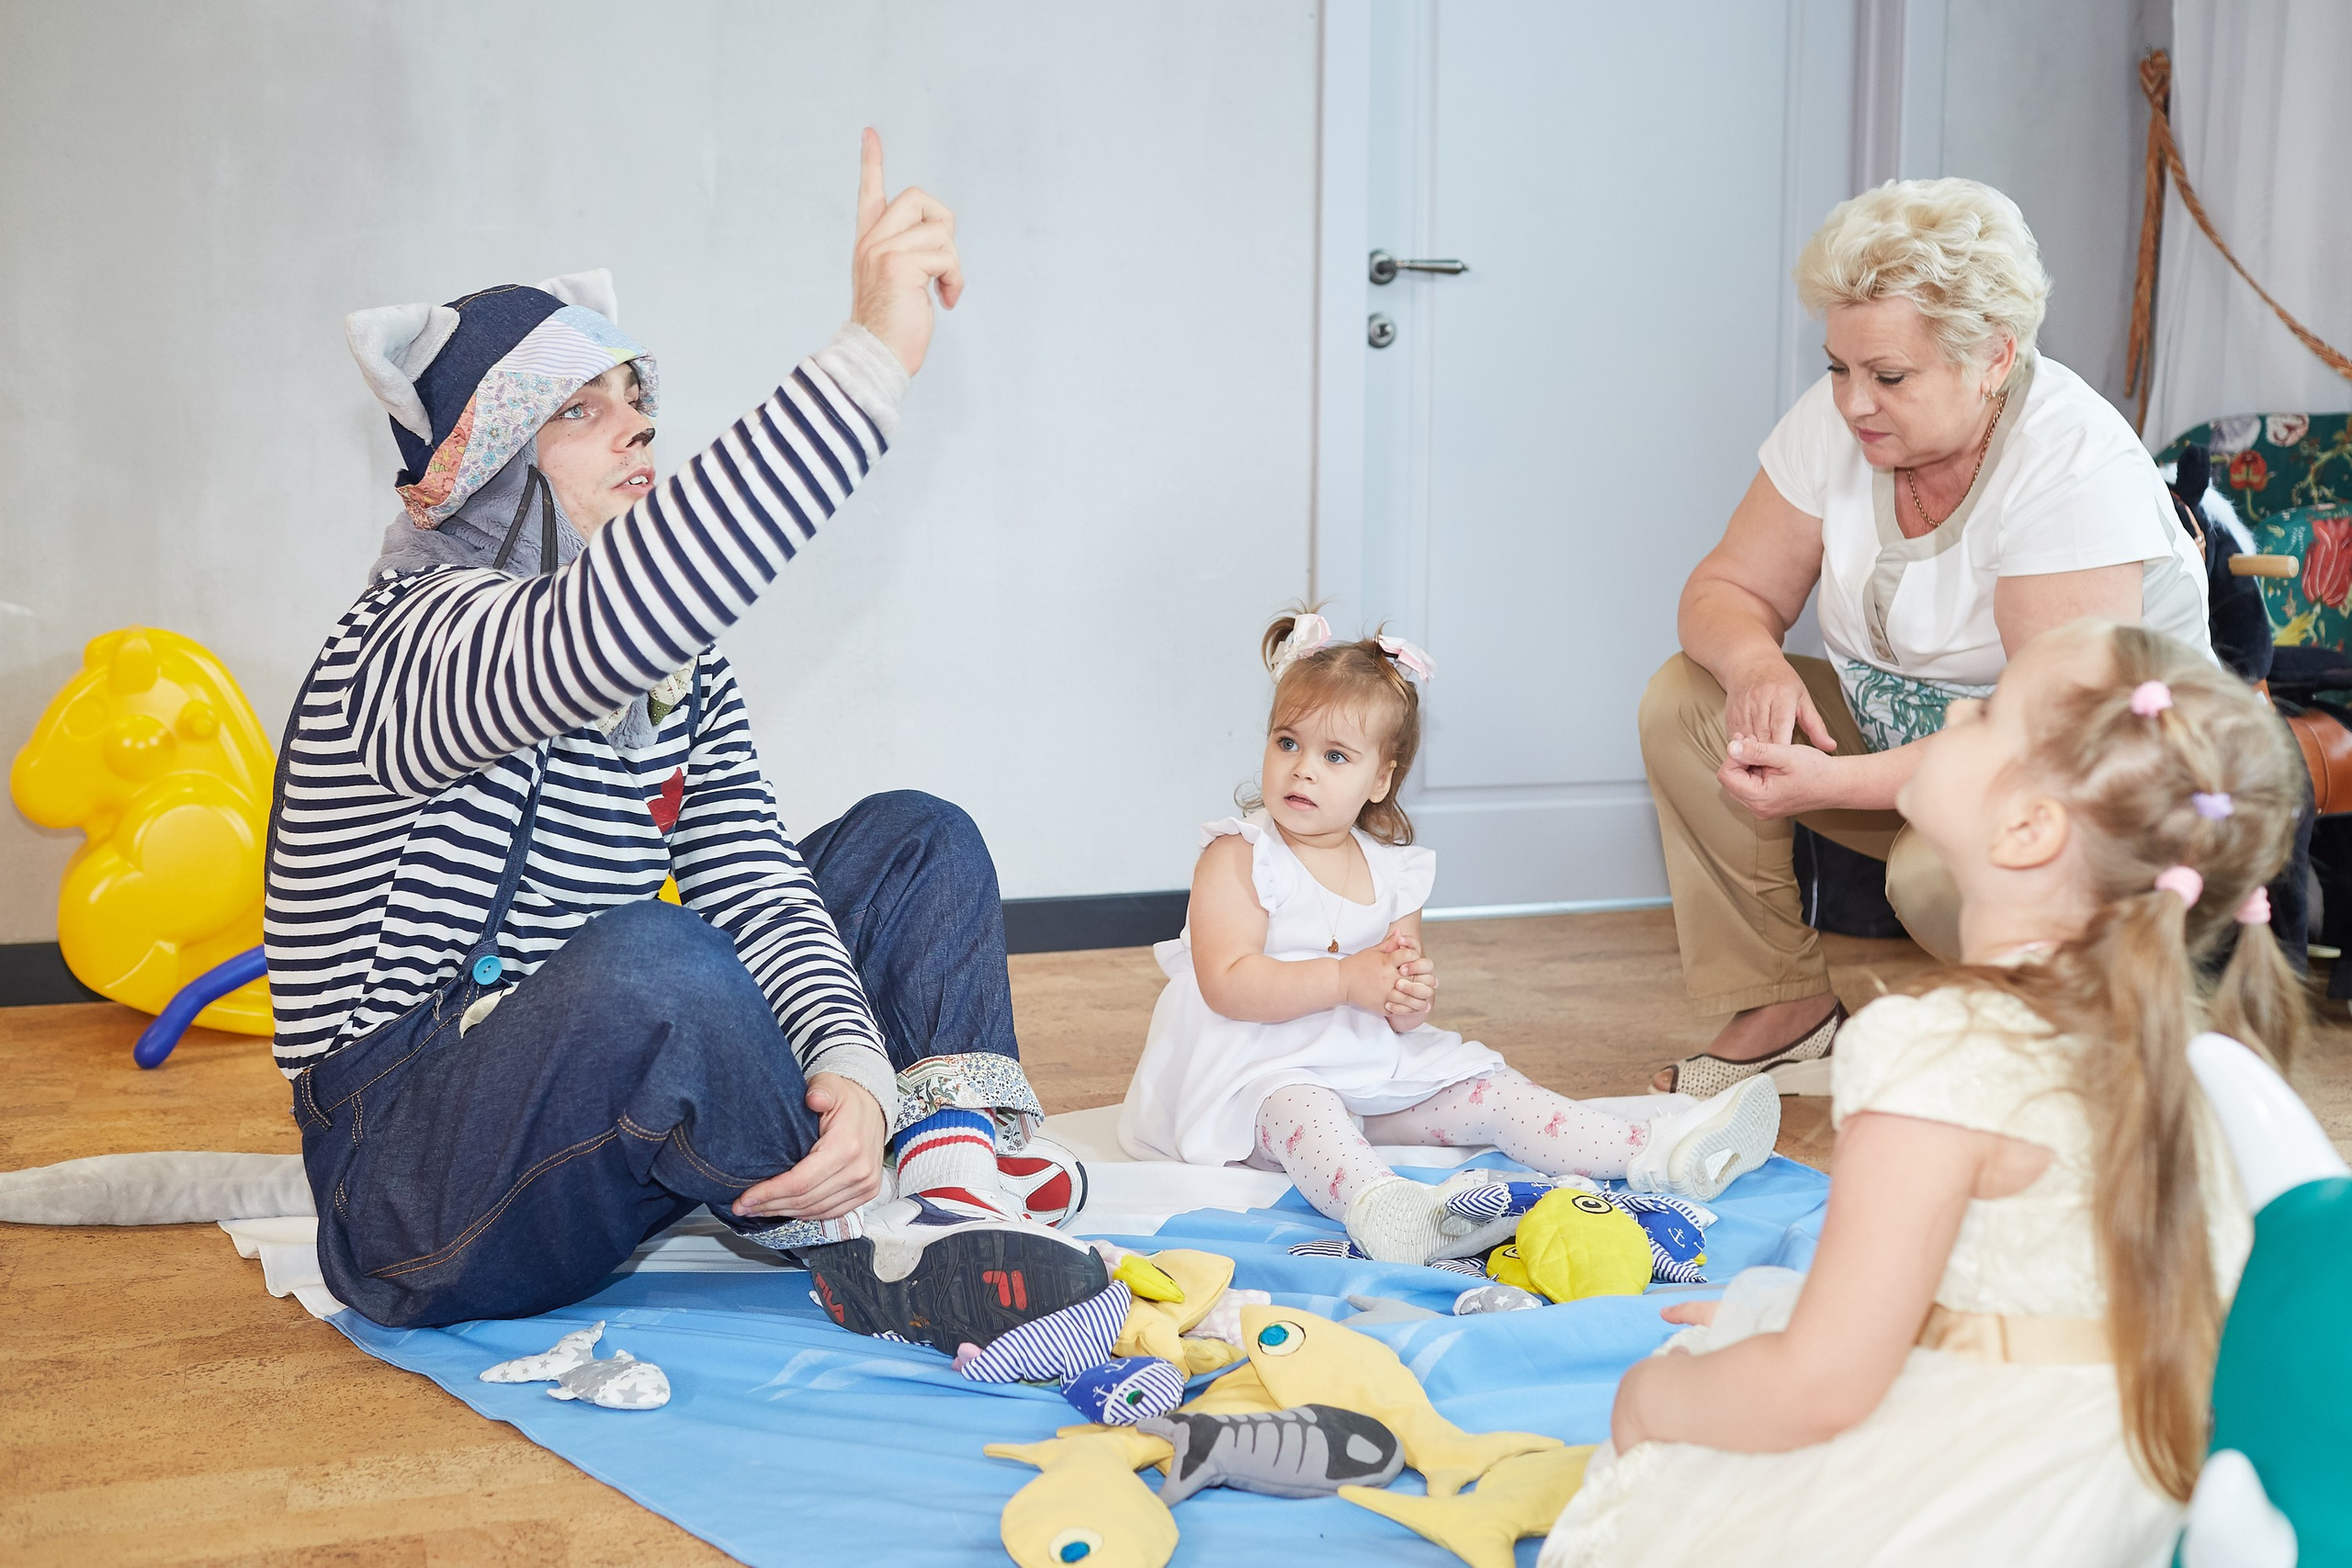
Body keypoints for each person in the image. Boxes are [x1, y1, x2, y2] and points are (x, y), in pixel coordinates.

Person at [267, 133, 1103, 1345]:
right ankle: (859, 1228)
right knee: (656, 962)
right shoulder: (409, 640)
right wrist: (871, 352)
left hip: (592, 1093)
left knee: (914, 842)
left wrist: (853, 1065)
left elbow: (752, 875)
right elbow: (603, 624)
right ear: (479, 467)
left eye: (639, 405)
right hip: (410, 1184)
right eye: (582, 409)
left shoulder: (670, 662)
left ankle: (946, 1171)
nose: (639, 432)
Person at [1543, 619, 2300, 1568]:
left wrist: (1652, 1402)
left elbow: (1821, 1386)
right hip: (2148, 1477)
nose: (1952, 717)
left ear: (2027, 830)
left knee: (1673, 1429)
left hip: (2000, 1499)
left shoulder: (1938, 1050)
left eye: (1984, 714)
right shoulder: (2185, 1042)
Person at [1640, 178, 2211, 1096]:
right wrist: (1753, 665)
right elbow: (1726, 588)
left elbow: (2044, 734)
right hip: (1913, 746)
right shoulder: (1838, 421)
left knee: (1931, 873)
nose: (1853, 403)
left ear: (1993, 356)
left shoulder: (2072, 464)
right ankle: (1785, 1012)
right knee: (1688, 700)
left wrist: (1832, 783)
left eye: (1889, 377)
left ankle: (2068, 1040)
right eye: (1838, 367)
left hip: (2087, 789)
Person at [1118, 613, 1781, 1263]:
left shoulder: (1394, 872)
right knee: (1307, 1112)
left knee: (1490, 1090)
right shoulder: (1240, 855)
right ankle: (1386, 1209)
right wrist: (1346, 980)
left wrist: (1405, 999)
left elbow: (1399, 996)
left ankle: (1655, 1150)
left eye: (1335, 755)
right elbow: (1228, 983)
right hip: (1251, 1077)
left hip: (1364, 1065)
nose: (1303, 769)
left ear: (1381, 778)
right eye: (1287, 743)